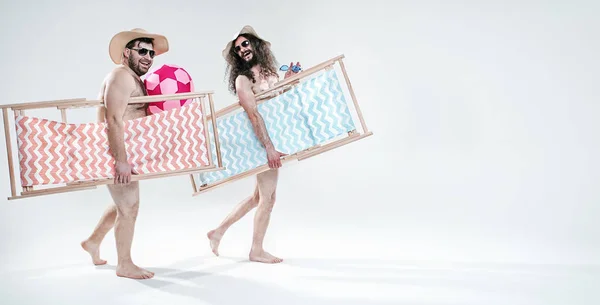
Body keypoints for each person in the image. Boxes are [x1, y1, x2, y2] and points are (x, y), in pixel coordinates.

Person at [207, 25, 301, 264]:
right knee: (268, 199)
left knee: (258, 197)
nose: (242, 50)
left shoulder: (269, 73)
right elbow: (254, 114)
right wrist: (269, 147)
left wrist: (288, 81)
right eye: (238, 49)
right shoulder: (242, 80)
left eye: (245, 44)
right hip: (260, 143)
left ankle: (218, 232)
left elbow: (277, 106)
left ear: (255, 45)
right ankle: (256, 250)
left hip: (273, 139)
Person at [81, 28, 169, 279]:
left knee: (123, 204)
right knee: (130, 208)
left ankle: (93, 242)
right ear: (126, 53)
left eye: (152, 53)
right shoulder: (120, 76)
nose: (149, 57)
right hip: (116, 153)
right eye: (142, 50)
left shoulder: (133, 77)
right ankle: (125, 264)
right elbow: (113, 118)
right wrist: (120, 160)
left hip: (128, 152)